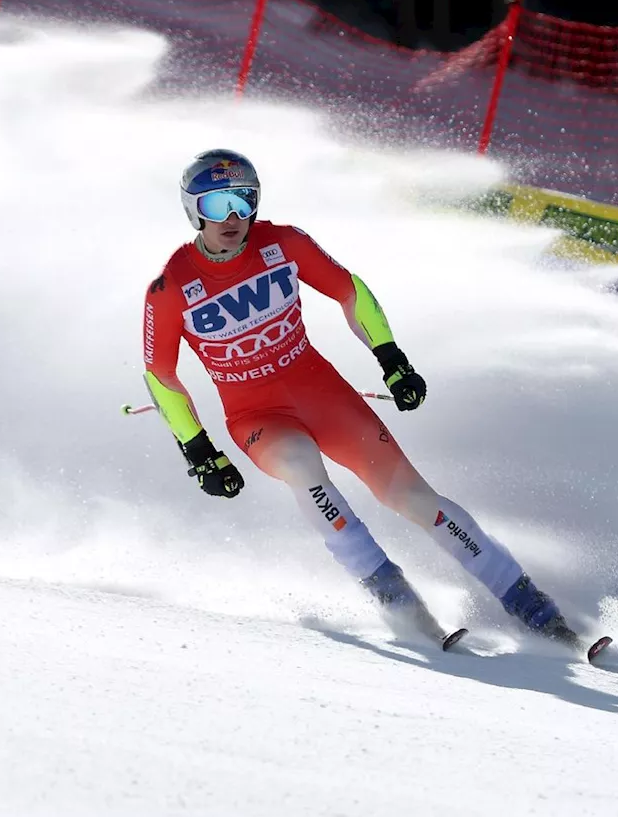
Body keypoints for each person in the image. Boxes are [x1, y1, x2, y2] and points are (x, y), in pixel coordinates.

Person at [141, 148, 585, 650]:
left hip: (324, 396)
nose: (234, 217)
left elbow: (349, 291)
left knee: (412, 499)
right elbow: (161, 376)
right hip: (257, 416)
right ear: (193, 209)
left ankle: (532, 606)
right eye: (218, 204)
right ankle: (397, 599)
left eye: (244, 201)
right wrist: (199, 451)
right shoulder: (172, 285)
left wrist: (391, 359)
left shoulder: (283, 243)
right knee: (299, 462)